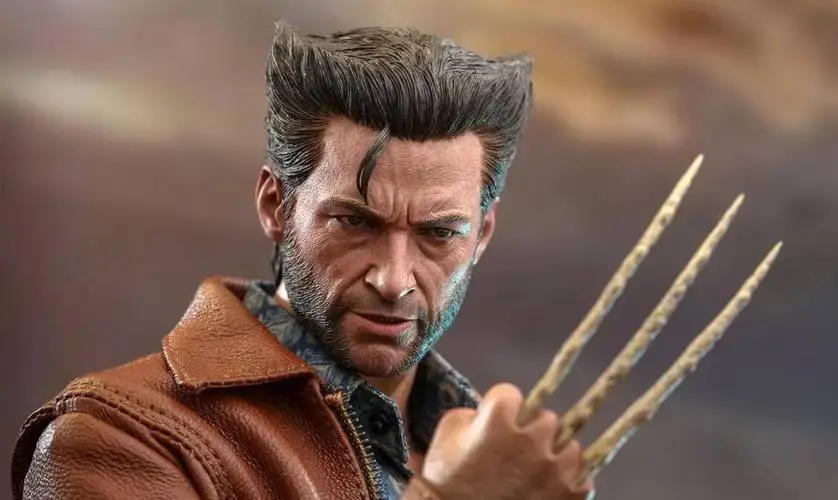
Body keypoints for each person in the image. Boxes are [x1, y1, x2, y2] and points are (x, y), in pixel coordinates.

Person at [12, 21, 594, 500]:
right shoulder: (118, 438)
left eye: (439, 233)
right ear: (276, 206)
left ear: (482, 235)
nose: (393, 280)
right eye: (354, 222)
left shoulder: (504, 462)